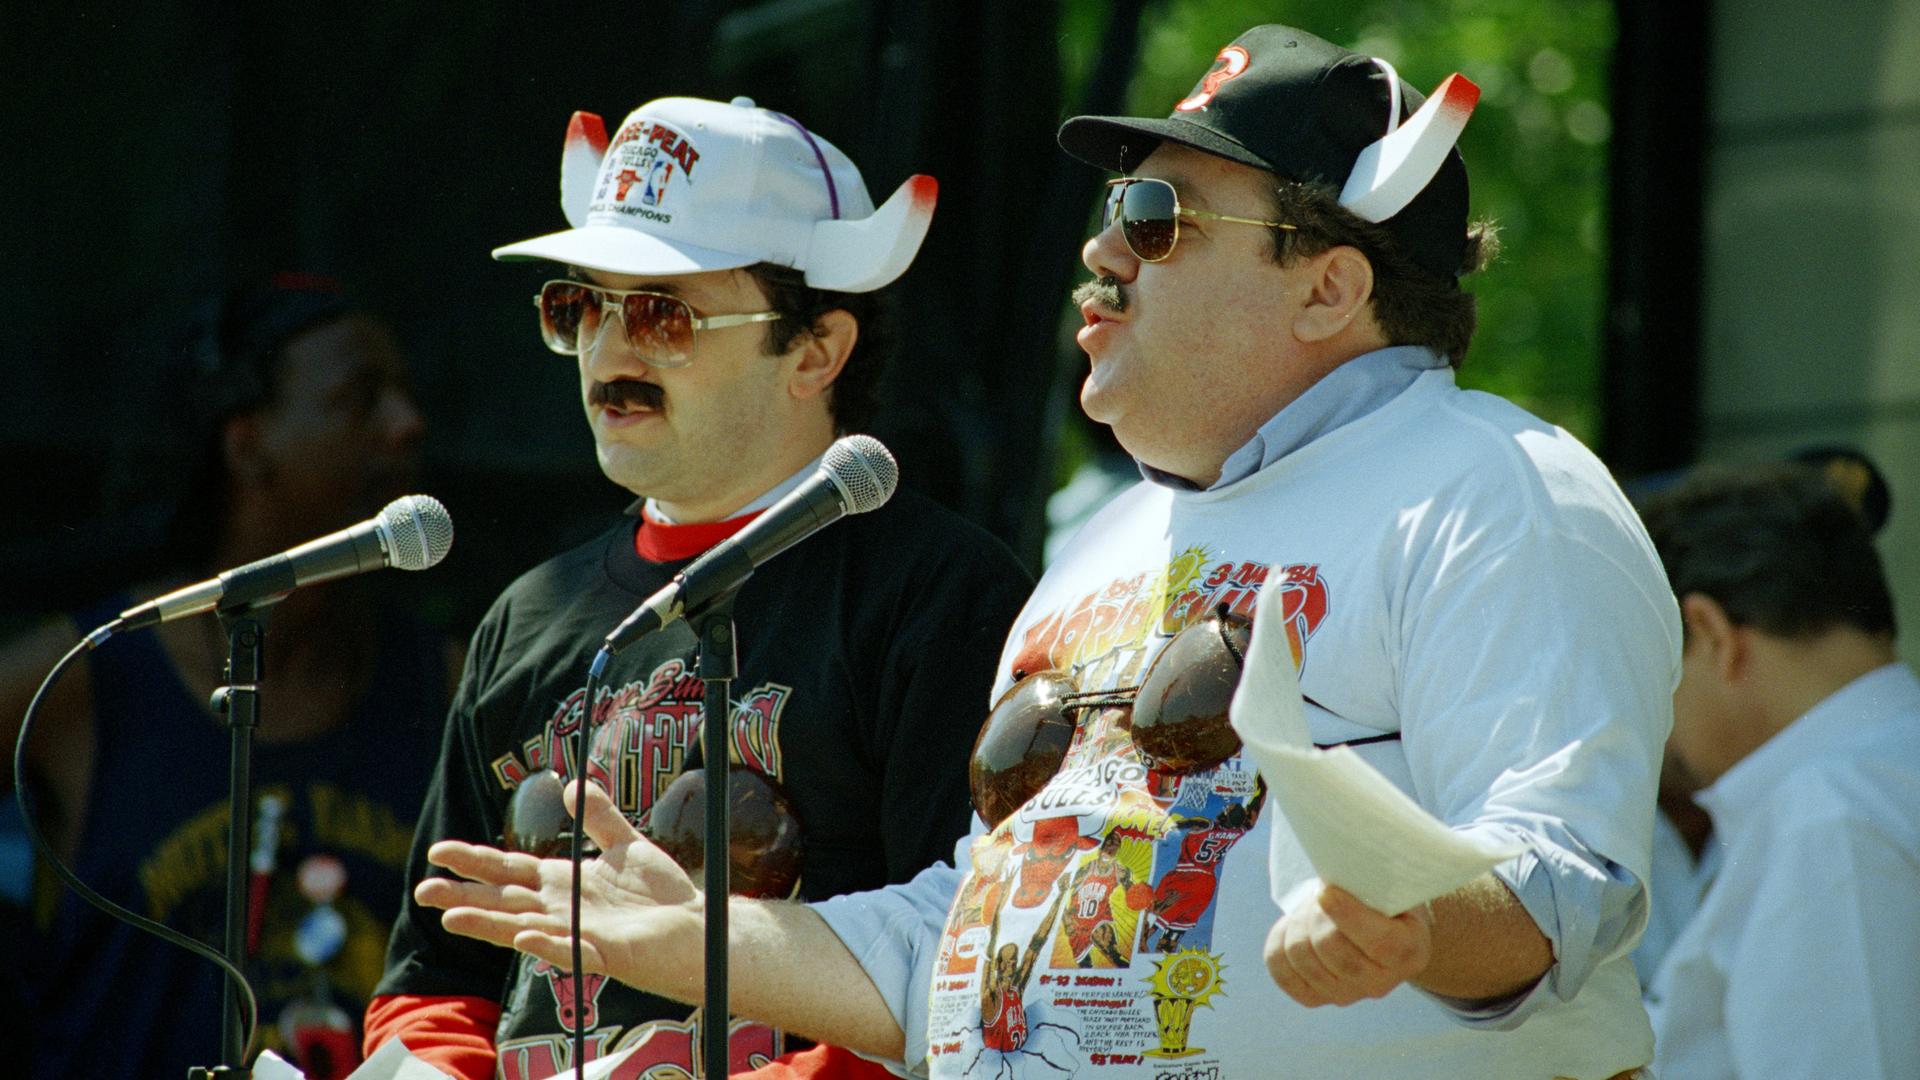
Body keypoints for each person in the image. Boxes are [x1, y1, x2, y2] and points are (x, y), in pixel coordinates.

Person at [412, 26, 1679, 1079]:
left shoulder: (1497, 490)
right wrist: (715, 940)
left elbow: (1569, 889)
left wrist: (1409, 924)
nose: (1101, 249)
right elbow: (950, 937)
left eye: (1156, 215)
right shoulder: (1102, 552)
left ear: (1328, 288)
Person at [364, 96, 1031, 1079]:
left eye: (663, 314)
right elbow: (436, 976)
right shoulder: (529, 615)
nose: (608, 353)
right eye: (578, 305)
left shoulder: (942, 594)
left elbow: (970, 964)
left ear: (816, 351)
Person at [1, 275, 451, 1080]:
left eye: (406, 396)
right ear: (246, 444)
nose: (406, 424)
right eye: (360, 399)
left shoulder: (443, 684)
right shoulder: (87, 675)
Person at [1637, 463, 1920, 1079]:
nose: (1646, 713)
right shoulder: (1873, 779)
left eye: (1648, 667)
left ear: (1712, 634)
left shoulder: (1832, 818)